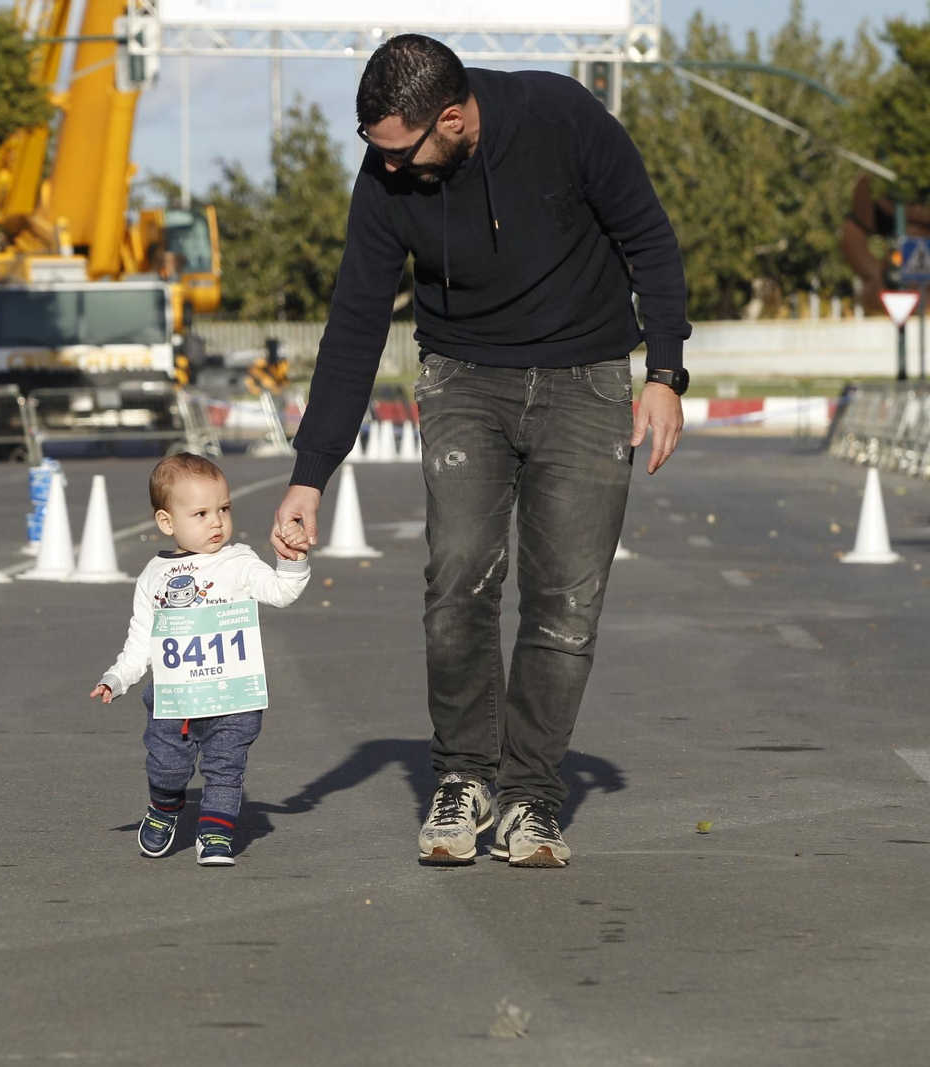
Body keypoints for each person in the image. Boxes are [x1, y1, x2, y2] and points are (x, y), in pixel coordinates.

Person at [271, 36, 690, 869]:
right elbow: (355, 321)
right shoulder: (387, 173)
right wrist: (309, 474)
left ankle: (532, 793)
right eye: (374, 152)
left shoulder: (561, 117)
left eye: (399, 152)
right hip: (463, 380)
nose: (386, 169)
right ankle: (465, 775)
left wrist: (666, 372)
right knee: (456, 577)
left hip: (588, 380)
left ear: (454, 120)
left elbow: (649, 237)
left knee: (565, 601)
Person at [91, 453, 310, 867]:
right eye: (201, 513)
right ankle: (164, 806)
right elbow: (142, 641)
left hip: (233, 696)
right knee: (167, 766)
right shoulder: (153, 576)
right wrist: (117, 678)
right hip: (174, 699)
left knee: (226, 769)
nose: (216, 522)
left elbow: (281, 592)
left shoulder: (238, 561)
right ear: (166, 522)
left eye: (224, 509)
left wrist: (291, 561)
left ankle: (214, 835)